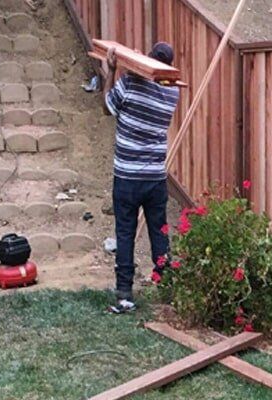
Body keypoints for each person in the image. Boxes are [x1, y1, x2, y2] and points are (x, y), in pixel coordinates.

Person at [102, 42, 180, 314]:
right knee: (159, 231)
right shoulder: (172, 93)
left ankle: (124, 290)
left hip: (127, 176)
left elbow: (107, 108)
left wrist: (110, 71)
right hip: (156, 177)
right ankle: (167, 284)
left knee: (125, 232)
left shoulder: (131, 82)